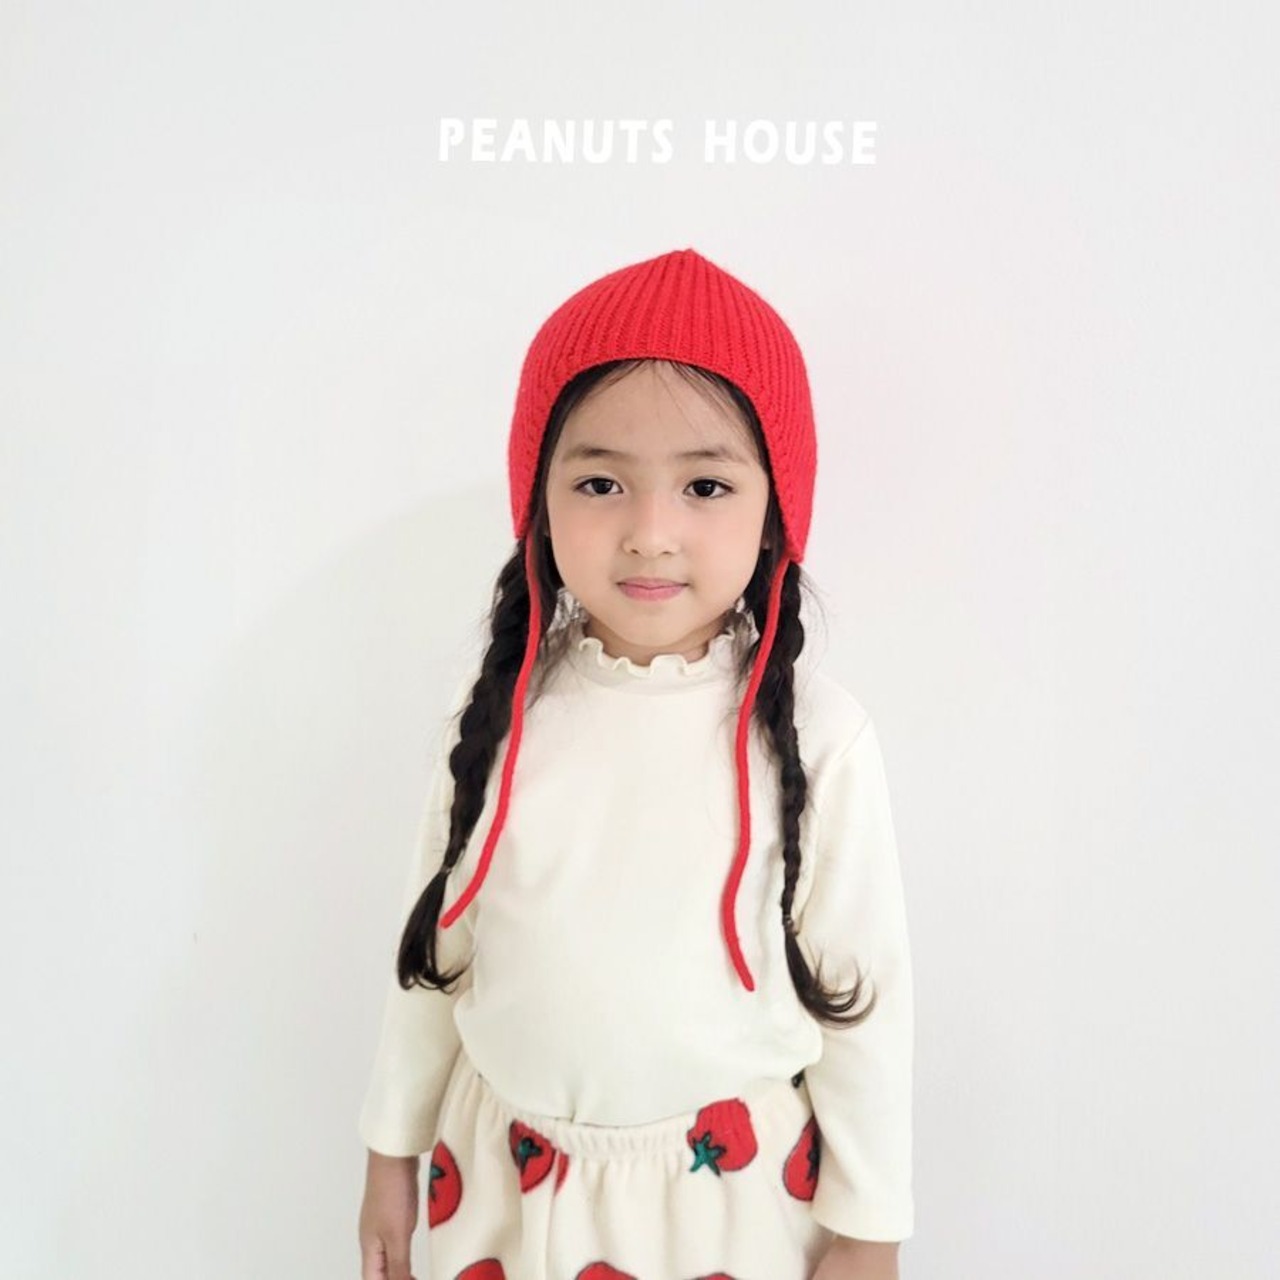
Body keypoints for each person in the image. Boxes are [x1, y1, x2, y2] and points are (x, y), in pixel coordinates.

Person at [356, 247, 915, 1280]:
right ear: (539, 499)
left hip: (728, 1206)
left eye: (704, 484)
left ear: (773, 511)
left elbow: (865, 1006)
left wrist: (869, 1227)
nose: (650, 533)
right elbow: (432, 955)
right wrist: (391, 1147)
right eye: (601, 482)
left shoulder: (821, 741)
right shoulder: (494, 722)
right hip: (502, 1191)